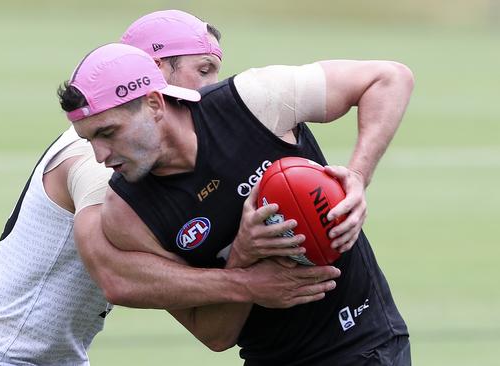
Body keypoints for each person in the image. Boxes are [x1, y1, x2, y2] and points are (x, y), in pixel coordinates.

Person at [0, 11, 341, 366]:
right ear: (154, 75)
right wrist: (248, 279)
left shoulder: (141, 149)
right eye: (204, 70)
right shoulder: (101, 155)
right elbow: (111, 271)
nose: (214, 86)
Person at [61, 42, 414, 365]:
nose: (99, 156)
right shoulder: (127, 215)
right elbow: (215, 336)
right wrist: (243, 259)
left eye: (108, 133)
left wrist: (356, 176)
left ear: (154, 103)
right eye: (88, 139)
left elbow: (389, 78)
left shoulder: (253, 102)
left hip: (366, 343)